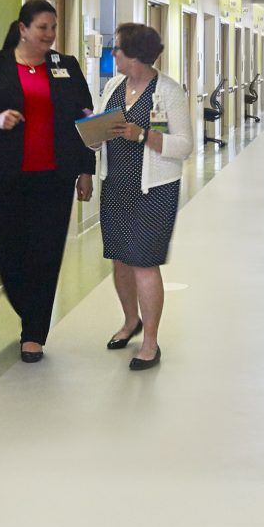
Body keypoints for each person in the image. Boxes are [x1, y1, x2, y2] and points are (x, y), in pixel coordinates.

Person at [0, 0, 94, 365]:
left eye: (53, 27)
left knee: (47, 254)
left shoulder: (66, 66)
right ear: (23, 29)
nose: (49, 35)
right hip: (6, 176)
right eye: (42, 28)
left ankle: (34, 332)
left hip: (55, 176)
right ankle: (27, 309)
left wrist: (85, 170)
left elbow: (85, 120)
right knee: (12, 256)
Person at [97, 21, 189, 371]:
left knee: (143, 264)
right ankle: (129, 321)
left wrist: (142, 135)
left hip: (154, 190)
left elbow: (184, 145)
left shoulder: (167, 92)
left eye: (117, 48)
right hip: (116, 184)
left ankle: (150, 342)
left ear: (133, 54)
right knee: (120, 259)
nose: (113, 54)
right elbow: (105, 125)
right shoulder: (113, 86)